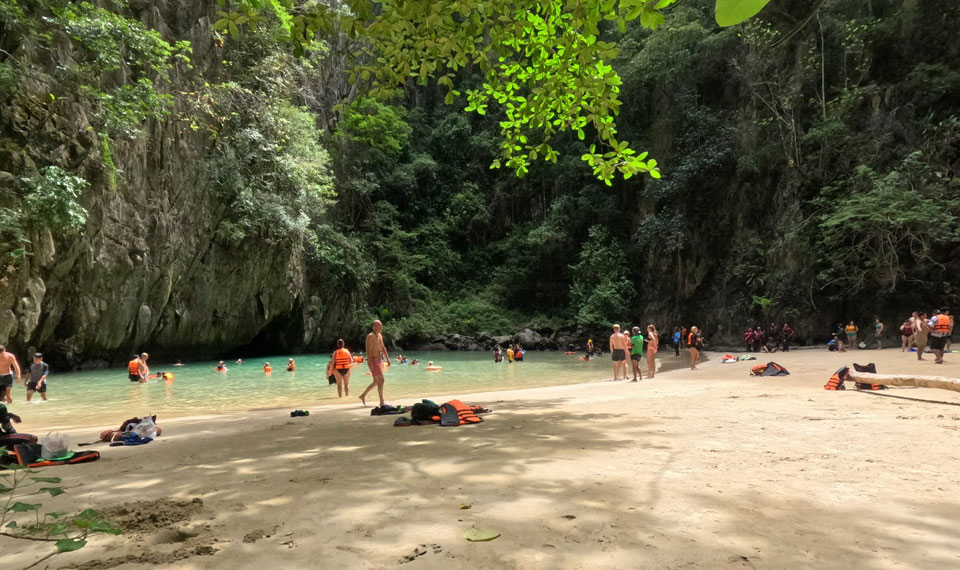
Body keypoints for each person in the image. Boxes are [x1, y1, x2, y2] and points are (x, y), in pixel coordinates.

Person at [359, 319, 390, 407]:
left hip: (379, 359)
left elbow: (383, 347)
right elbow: (368, 350)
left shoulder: (380, 335)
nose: (380, 327)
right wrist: (370, 362)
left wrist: (387, 358)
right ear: (374, 327)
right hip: (372, 359)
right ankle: (382, 401)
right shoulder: (370, 336)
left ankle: (363, 395)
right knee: (381, 380)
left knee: (376, 381)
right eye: (378, 326)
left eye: (381, 325)